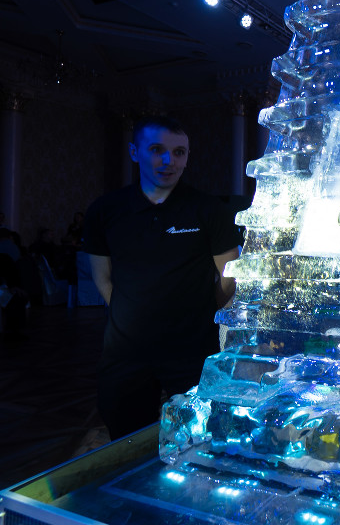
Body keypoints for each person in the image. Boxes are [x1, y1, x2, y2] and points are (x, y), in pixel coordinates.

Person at [84, 116, 240, 440]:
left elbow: (230, 277)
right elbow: (102, 278)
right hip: (125, 351)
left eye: (179, 152)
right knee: (125, 435)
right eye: (157, 150)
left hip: (193, 347)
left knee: (200, 437)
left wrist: (199, 311)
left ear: (187, 157)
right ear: (134, 152)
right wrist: (130, 313)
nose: (169, 161)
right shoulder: (105, 210)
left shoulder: (209, 210)